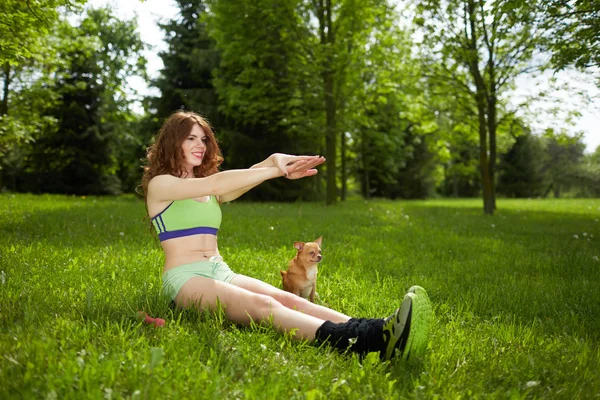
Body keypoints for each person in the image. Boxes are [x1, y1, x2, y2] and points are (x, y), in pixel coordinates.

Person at [140, 110, 432, 361]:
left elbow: (234, 180)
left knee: (293, 300)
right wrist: (272, 170)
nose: (200, 145)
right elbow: (219, 184)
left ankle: (379, 329)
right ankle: (366, 343)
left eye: (203, 138)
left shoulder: (203, 184)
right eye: (190, 138)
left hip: (219, 270)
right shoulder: (161, 185)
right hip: (185, 279)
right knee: (265, 307)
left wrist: (274, 162)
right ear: (171, 141)